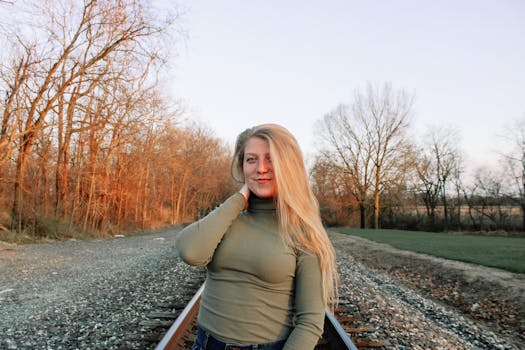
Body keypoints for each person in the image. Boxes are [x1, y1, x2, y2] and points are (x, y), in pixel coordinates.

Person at [176, 123, 338, 350]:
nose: (261, 168)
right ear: (242, 166)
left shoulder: (303, 231)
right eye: (251, 159)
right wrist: (240, 197)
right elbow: (190, 251)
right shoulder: (229, 217)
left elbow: (310, 322)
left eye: (271, 159)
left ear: (288, 166)